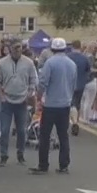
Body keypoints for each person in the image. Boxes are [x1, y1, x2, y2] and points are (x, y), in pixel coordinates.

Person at [32, 38, 77, 174]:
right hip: (65, 103)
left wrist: (39, 97)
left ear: (52, 49)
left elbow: (43, 82)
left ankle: (43, 164)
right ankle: (64, 165)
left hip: (51, 104)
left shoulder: (50, 63)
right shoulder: (71, 64)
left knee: (45, 135)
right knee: (63, 135)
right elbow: (73, 83)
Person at [0, 43, 37, 167]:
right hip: (7, 100)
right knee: (4, 130)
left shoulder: (29, 62)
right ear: (10, 49)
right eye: (14, 49)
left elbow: (33, 80)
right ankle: (3, 155)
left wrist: (29, 94)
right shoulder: (2, 63)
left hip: (22, 100)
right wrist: (1, 96)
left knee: (22, 130)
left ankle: (20, 154)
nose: (17, 51)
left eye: (19, 49)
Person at [68, 40, 92, 136]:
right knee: (77, 103)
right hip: (81, 83)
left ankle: (73, 122)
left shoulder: (68, 57)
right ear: (80, 46)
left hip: (70, 84)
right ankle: (76, 121)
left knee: (71, 103)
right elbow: (88, 70)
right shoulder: (84, 58)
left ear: (72, 46)